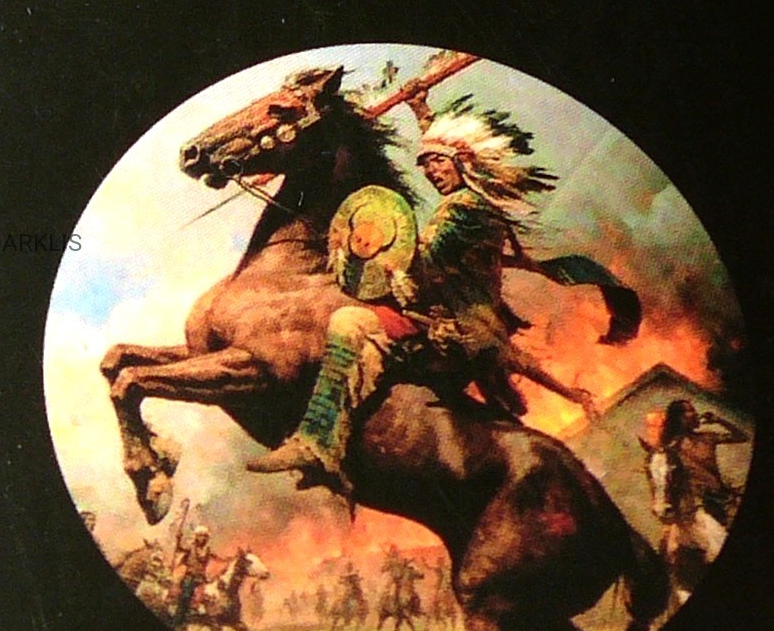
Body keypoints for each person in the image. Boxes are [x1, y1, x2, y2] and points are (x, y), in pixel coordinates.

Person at [248, 96, 601, 495]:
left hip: (453, 332)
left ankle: (319, 445)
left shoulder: (462, 210)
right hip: (458, 323)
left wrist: (361, 242)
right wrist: (422, 112)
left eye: (438, 163)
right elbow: (447, 161)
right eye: (426, 165)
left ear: (463, 163)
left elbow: (420, 261)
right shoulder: (469, 201)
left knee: (350, 322)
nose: (432, 172)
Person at [645, 398, 749, 525]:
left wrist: (719, 420)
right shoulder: (671, 447)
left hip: (721, 498)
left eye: (693, 410)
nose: (695, 413)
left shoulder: (707, 438)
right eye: (690, 410)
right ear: (679, 417)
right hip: (696, 504)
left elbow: (742, 437)